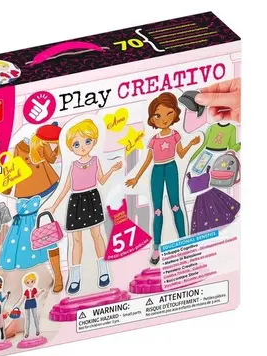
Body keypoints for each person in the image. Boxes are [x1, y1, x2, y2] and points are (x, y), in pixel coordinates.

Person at [48, 119, 122, 294]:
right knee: (76, 240)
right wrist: (54, 206)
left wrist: (112, 169)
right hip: (76, 201)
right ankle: (75, 277)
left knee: (97, 235)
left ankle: (103, 270)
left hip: (92, 198)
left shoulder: (95, 160)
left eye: (87, 141)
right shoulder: (73, 165)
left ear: (93, 141)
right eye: (76, 144)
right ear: (71, 147)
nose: (82, 147)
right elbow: (66, 187)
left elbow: (101, 180)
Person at [125, 92, 200, 266]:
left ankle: (184, 243)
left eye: (169, 113)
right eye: (158, 115)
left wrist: (191, 144)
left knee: (176, 206)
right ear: (152, 118)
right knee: (157, 210)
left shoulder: (175, 135)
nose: (164, 119)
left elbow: (181, 153)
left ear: (175, 113)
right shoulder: (153, 140)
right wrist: (136, 178)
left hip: (171, 168)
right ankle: (156, 247)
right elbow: (147, 161)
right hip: (157, 171)